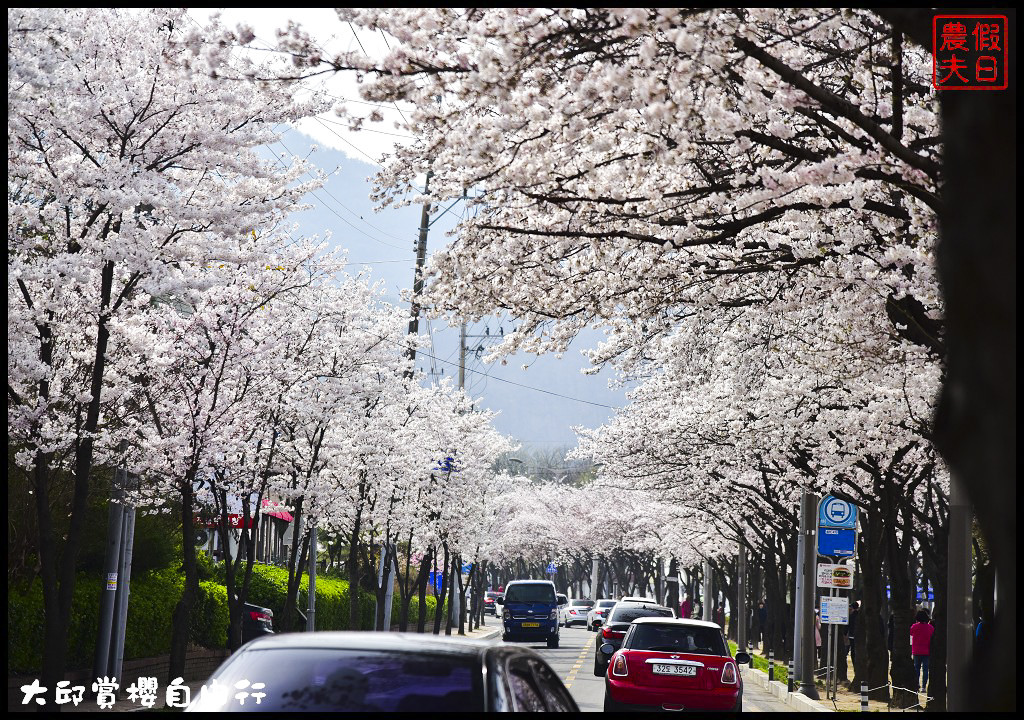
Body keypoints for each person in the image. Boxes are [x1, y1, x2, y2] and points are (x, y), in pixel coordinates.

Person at [910, 609, 935, 692]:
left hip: (916, 650)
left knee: (916, 668)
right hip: (927, 651)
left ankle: (916, 684)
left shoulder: (914, 627)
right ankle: (924, 686)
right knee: (925, 669)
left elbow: (911, 634)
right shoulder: (930, 628)